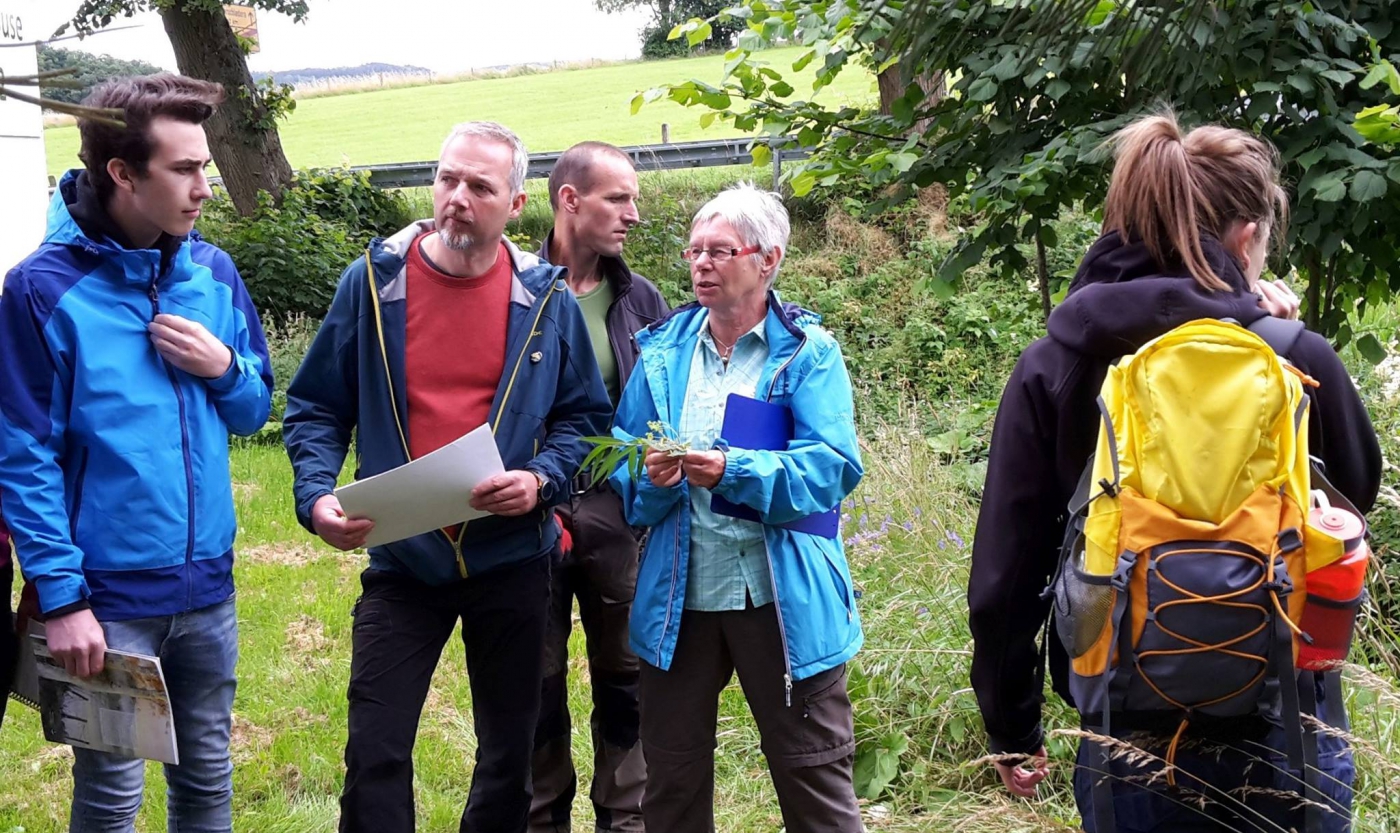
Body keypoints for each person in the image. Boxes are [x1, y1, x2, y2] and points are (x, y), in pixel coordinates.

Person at [968, 112, 1382, 832]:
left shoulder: (1054, 364)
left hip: (1124, 733)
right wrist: (1290, 347)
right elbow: (1357, 491)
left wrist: (1012, 726)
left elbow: (1005, 581)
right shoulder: (1291, 354)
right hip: (1285, 723)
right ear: (1246, 236)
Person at [282, 121, 613, 833]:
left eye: (479, 186)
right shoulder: (374, 284)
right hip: (404, 561)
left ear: (516, 204)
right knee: (375, 750)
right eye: (447, 179)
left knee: (510, 754)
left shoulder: (544, 299)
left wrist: (541, 480)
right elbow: (313, 406)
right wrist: (315, 496)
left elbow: (584, 419)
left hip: (513, 559)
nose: (457, 198)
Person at [0, 74, 273, 831]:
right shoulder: (39, 291)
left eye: (206, 167)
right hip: (108, 601)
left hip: (208, 586)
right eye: (184, 170)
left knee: (208, 776)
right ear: (122, 174)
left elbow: (254, 409)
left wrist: (223, 366)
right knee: (112, 797)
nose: (205, 189)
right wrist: (63, 598)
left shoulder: (212, 273)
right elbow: (22, 458)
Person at [609, 183, 865, 833]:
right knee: (672, 782)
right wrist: (656, 477)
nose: (700, 263)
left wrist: (735, 469)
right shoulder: (662, 350)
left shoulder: (809, 352)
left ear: (768, 259)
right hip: (680, 599)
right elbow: (621, 460)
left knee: (815, 778)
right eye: (694, 250)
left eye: (720, 250)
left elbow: (832, 467)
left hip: (781, 601)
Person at [530, 142, 669, 833]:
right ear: (569, 200)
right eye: (620, 199)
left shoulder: (641, 300)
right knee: (535, 679)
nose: (634, 215)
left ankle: (626, 818)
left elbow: (665, 405)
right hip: (528, 517)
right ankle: (541, 815)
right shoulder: (516, 287)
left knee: (626, 679)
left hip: (619, 517)